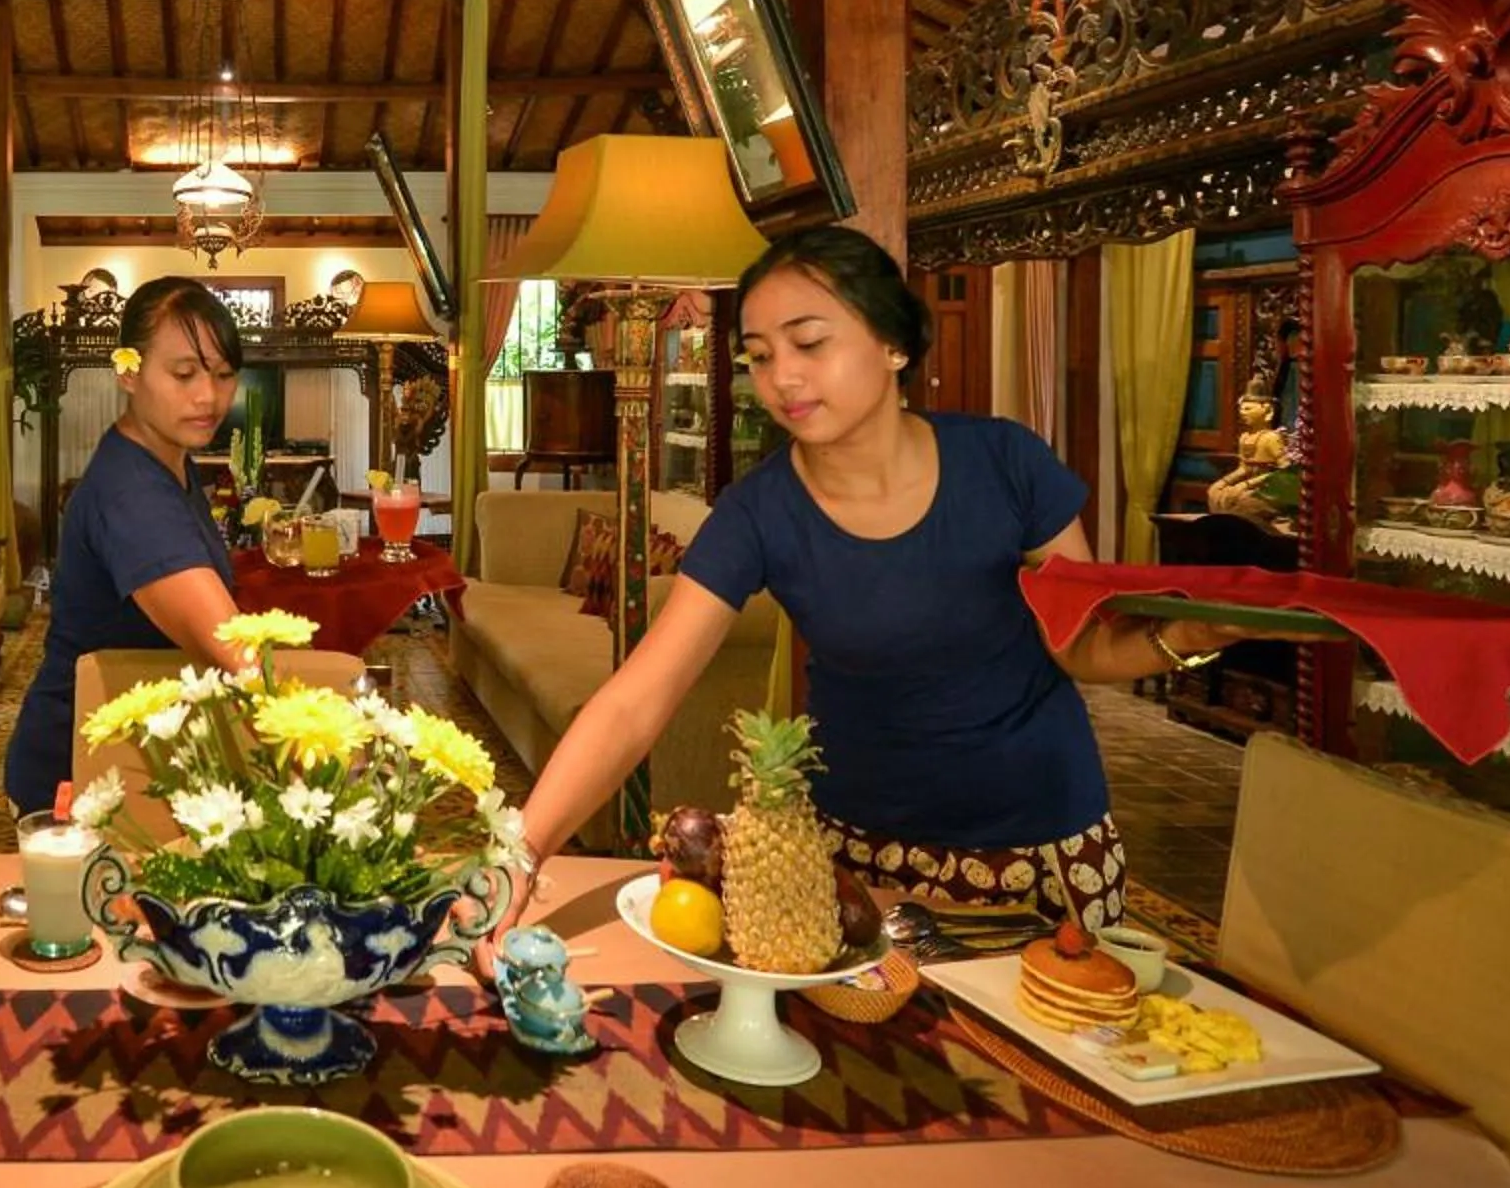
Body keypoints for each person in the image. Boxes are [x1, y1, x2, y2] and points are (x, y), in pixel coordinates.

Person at [512, 225, 1275, 931]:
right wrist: (523, 852)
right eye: (760, 354)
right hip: (860, 864)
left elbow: (1082, 650)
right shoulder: (758, 513)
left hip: (1042, 853)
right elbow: (635, 700)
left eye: (809, 342)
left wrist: (1188, 637)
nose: (783, 376)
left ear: (894, 346)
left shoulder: (1007, 464)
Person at [3, 277, 251, 814]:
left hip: (123, 754)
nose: (208, 397)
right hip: (75, 772)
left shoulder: (166, 463)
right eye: (183, 373)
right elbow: (237, 652)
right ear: (127, 371)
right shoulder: (131, 493)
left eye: (224, 375)